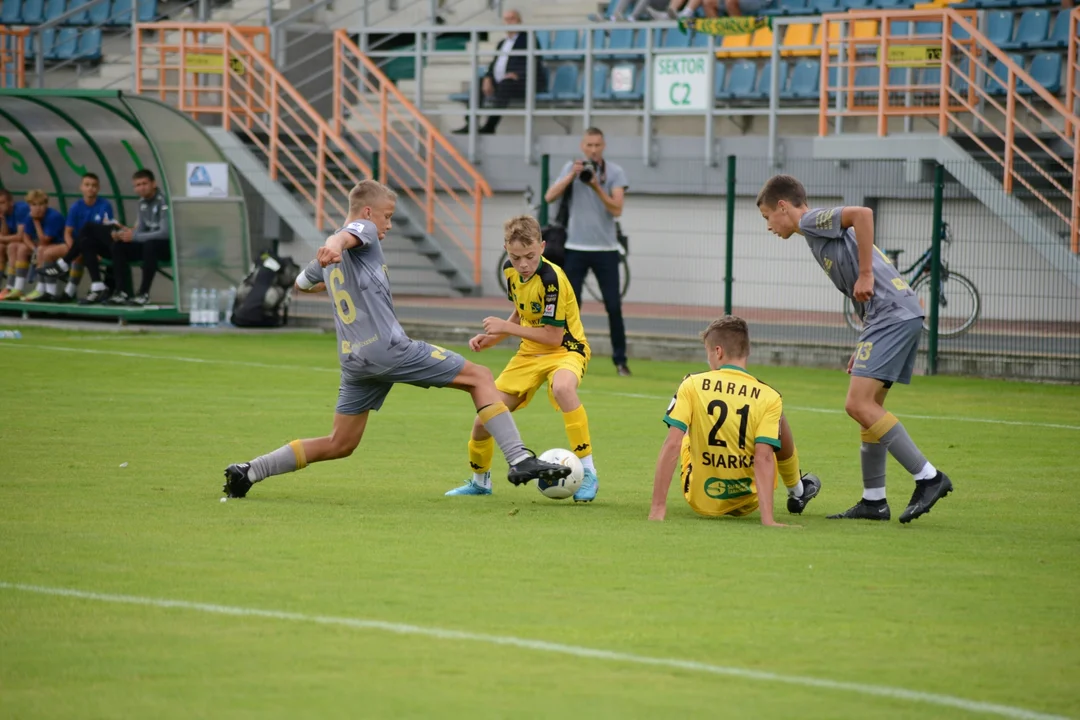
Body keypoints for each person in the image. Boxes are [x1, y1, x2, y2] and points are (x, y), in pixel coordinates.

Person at [222, 180, 571, 499]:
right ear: (368, 213)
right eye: (387, 216)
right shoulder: (362, 232)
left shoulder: (333, 256)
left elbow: (301, 283)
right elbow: (344, 237)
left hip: (354, 361)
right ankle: (519, 458)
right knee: (479, 377)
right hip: (387, 348)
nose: (389, 225)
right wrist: (334, 244)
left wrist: (330, 267)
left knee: (340, 443)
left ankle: (250, 471)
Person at [756, 174, 953, 523]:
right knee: (871, 407)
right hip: (893, 315)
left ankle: (929, 477)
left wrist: (865, 274)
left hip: (891, 314)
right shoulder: (813, 235)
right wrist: (864, 337)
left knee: (857, 404)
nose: (768, 226)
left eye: (767, 216)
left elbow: (862, 213)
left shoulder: (810, 220)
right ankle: (874, 501)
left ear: (783, 207)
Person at [445, 214, 600, 502]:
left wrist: (505, 328)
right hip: (529, 353)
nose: (523, 264)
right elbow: (521, 311)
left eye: (529, 256)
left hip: (566, 349)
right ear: (507, 250)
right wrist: (492, 339)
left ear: (541, 247)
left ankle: (589, 471)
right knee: (484, 419)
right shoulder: (510, 271)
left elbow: (553, 337)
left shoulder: (552, 279)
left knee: (563, 388)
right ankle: (481, 482)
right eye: (516, 258)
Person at [648, 316, 822, 525]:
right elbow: (764, 458)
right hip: (749, 500)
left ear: (718, 351)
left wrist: (658, 508)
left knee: (685, 429)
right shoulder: (769, 396)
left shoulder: (692, 384)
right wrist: (768, 520)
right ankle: (797, 490)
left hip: (702, 498)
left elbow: (672, 444)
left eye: (708, 354)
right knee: (774, 423)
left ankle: (665, 503)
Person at [544, 127, 631, 376]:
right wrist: (572, 176)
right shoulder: (572, 167)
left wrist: (595, 186)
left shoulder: (614, 172)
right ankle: (570, 357)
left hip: (606, 249)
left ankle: (620, 361)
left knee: (613, 306)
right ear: (583, 147)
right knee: (572, 306)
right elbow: (549, 196)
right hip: (574, 248)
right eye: (589, 145)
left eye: (597, 145)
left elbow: (616, 209)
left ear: (603, 146)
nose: (593, 149)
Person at [452, 8, 530, 135]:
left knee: (506, 84)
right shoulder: (502, 43)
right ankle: (470, 123)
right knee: (480, 81)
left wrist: (517, 74)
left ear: (519, 22)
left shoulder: (528, 39)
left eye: (512, 19)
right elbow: (494, 63)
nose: (509, 22)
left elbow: (534, 62)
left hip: (520, 82)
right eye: (506, 19)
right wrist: (488, 77)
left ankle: (490, 126)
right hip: (501, 80)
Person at [39, 173, 114, 303]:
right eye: (87, 185)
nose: (91, 188)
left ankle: (69, 291)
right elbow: (68, 232)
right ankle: (49, 292)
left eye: (94, 185)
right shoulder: (76, 206)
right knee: (47, 253)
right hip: (74, 245)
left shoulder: (105, 205)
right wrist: (72, 248)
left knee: (84, 244)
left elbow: (105, 231)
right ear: (81, 187)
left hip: (94, 246)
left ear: (99, 188)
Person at [17, 190, 66, 302]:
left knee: (42, 250)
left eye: (41, 204)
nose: (38, 208)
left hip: (62, 246)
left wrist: (36, 222)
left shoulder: (53, 216)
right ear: (29, 205)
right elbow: (25, 236)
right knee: (17, 247)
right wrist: (33, 248)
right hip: (42, 246)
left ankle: (48, 291)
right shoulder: (29, 216)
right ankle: (16, 287)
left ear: (46, 205)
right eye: (34, 205)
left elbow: (45, 241)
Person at [0, 190, 29, 299]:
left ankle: (11, 287)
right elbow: (4, 234)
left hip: (31, 242)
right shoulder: (4, 214)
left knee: (13, 246)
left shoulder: (21, 209)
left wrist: (2, 238)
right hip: (16, 243)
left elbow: (21, 236)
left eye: (2, 203)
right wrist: (2, 220)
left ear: (11, 202)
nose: (0, 206)